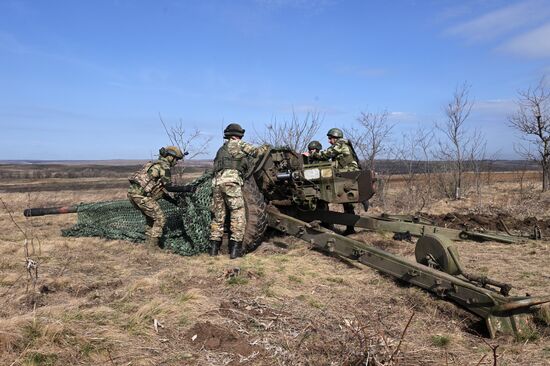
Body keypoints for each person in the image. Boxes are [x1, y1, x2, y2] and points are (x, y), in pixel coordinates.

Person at [209, 123, 269, 259]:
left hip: (217, 184)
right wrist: (266, 146)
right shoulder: (239, 144)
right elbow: (256, 152)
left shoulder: (221, 149)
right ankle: (235, 251)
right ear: (238, 135)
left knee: (219, 216)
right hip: (232, 183)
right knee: (238, 215)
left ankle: (213, 251)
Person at [304, 128, 360, 235]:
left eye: (330, 138)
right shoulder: (342, 145)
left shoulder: (340, 144)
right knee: (346, 203)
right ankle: (349, 228)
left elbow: (326, 154)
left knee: (346, 202)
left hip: (347, 173)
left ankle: (349, 228)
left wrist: (311, 155)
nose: (329, 141)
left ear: (336, 137)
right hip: (346, 174)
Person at [128, 145, 184, 250]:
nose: (176, 162)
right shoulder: (164, 167)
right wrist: (187, 188)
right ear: (170, 157)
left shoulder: (153, 164)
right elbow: (169, 187)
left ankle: (148, 245)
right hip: (142, 196)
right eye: (176, 159)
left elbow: (161, 191)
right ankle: (153, 248)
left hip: (133, 195)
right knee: (159, 219)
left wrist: (174, 201)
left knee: (151, 219)